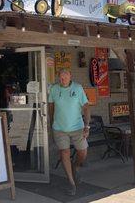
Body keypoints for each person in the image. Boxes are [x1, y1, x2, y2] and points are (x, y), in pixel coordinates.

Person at [48, 68, 90, 196]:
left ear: (70, 76)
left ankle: (75, 167)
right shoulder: (54, 89)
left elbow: (86, 107)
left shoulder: (78, 88)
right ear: (58, 77)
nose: (63, 79)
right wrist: (52, 123)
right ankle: (71, 183)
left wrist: (87, 126)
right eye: (61, 77)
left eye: (65, 76)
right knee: (64, 152)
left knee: (82, 152)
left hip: (77, 127)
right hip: (59, 128)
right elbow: (51, 106)